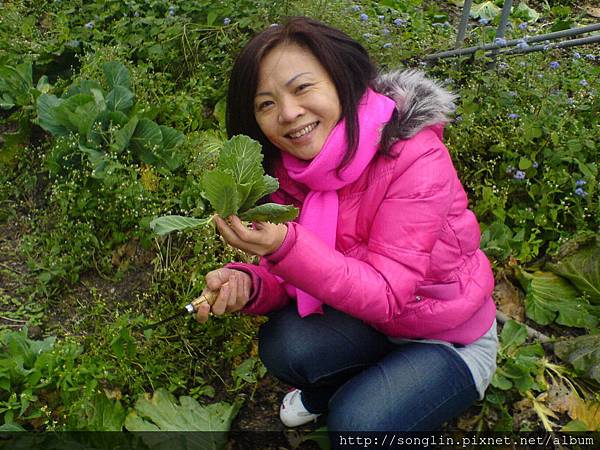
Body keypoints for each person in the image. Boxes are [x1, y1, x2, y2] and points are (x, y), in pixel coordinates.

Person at [194, 16, 498, 434]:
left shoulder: (414, 157)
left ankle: (394, 390)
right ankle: (354, 386)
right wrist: (250, 282)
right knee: (286, 345)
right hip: (370, 325)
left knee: (358, 428)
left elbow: (389, 294)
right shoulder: (291, 170)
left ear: (342, 79)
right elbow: (291, 277)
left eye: (302, 88)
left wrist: (284, 245)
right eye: (266, 104)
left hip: (445, 336)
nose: (288, 113)